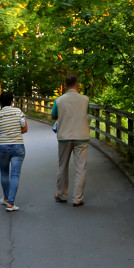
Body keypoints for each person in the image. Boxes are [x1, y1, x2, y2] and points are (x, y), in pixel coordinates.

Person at [50, 75, 90, 206]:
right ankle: (77, 198)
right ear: (77, 84)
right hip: (81, 135)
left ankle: (62, 195)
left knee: (62, 166)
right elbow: (86, 113)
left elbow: (53, 115)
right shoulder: (85, 99)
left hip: (64, 136)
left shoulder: (59, 100)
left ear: (65, 85)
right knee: (80, 168)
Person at [0, 91, 28, 212]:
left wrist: (5, 133)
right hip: (18, 146)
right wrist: (16, 132)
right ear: (12, 101)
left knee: (4, 173)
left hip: (3, 146)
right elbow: (25, 128)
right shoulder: (18, 112)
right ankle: (11, 204)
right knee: (15, 174)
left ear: (0, 102)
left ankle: (7, 198)